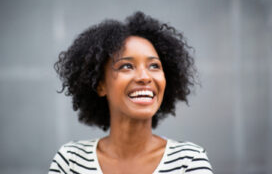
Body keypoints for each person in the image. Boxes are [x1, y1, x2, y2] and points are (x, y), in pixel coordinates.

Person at [49, 11, 213, 174]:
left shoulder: (189, 162)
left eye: (154, 66)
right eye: (126, 66)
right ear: (100, 85)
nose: (144, 77)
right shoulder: (70, 162)